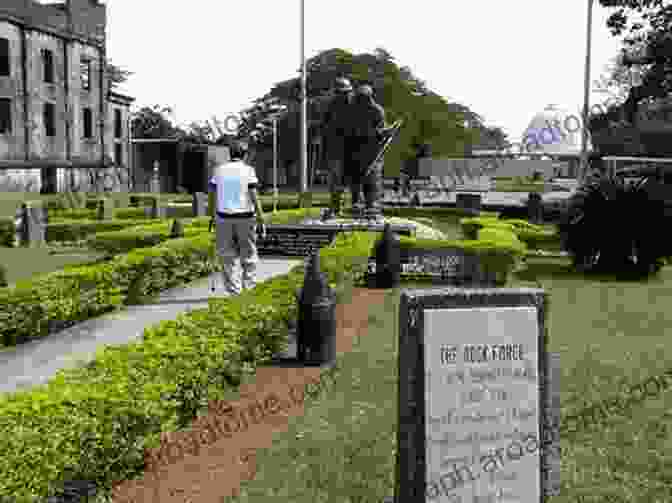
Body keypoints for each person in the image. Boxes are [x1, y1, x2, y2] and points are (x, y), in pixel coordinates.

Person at [208, 141, 267, 295]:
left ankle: (234, 292)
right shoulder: (249, 170)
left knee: (227, 257)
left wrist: (212, 217)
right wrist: (261, 218)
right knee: (249, 255)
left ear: (230, 154)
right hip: (246, 218)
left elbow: (213, 196)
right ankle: (249, 290)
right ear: (245, 154)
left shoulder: (218, 170)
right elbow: (254, 195)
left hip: (223, 217)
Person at [348, 84, 387, 220]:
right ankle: (356, 206)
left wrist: (372, 133)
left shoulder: (377, 111)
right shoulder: (354, 110)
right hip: (355, 151)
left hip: (372, 153)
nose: (358, 100)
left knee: (371, 181)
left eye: (361, 98)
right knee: (355, 181)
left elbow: (381, 131)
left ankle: (372, 208)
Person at [322, 77, 355, 217]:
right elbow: (325, 126)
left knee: (351, 181)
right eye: (340, 93)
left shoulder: (354, 105)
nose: (344, 95)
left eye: (345, 92)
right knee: (336, 181)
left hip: (351, 149)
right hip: (335, 150)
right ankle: (336, 208)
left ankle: (352, 207)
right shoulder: (332, 106)